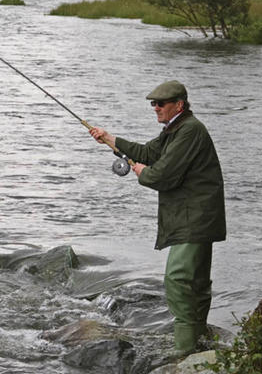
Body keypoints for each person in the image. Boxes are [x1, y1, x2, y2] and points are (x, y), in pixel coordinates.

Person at [89, 80, 226, 356]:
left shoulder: (190, 130)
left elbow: (162, 175)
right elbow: (149, 153)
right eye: (153, 103)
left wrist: (142, 172)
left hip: (194, 220)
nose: (155, 108)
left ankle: (184, 351)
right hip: (196, 218)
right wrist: (109, 139)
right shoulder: (176, 129)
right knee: (197, 283)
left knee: (178, 280)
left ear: (179, 105)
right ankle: (199, 345)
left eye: (161, 103)